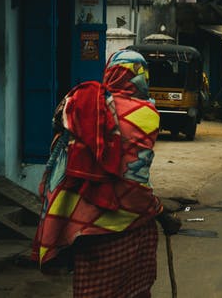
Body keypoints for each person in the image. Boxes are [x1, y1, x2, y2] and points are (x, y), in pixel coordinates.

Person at [31, 49, 181, 298]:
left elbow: (59, 155)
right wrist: (160, 212)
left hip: (81, 225)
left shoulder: (79, 104)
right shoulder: (145, 114)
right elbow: (134, 184)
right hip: (126, 226)